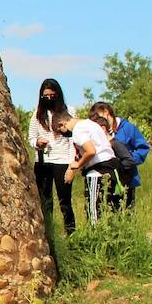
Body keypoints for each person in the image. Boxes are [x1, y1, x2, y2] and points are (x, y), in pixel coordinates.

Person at [27, 79, 76, 234]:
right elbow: (31, 137)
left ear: (58, 95)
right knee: (45, 201)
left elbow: (73, 140)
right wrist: (37, 142)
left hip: (62, 161)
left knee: (65, 202)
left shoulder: (70, 112)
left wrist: (71, 165)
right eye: (45, 96)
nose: (49, 99)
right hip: (43, 162)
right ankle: (49, 235)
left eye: (52, 95)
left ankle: (71, 234)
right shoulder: (37, 114)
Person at [63, 107, 122, 224]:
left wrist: (77, 165)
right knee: (108, 209)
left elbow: (91, 151)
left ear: (62, 124)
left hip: (96, 172)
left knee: (94, 211)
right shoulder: (91, 124)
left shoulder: (78, 130)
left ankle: (95, 237)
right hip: (110, 168)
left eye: (59, 130)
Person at [92, 101, 150, 208]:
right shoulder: (98, 130)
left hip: (127, 179)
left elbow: (143, 148)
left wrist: (127, 161)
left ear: (106, 112)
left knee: (126, 212)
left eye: (99, 117)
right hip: (106, 179)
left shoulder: (127, 128)